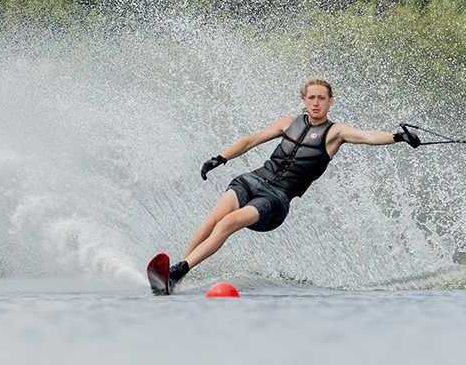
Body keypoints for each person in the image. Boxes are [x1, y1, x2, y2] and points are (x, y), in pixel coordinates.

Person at [163, 78, 420, 287]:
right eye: (311, 97)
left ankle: (180, 269)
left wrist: (399, 137)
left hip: (275, 200)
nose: (316, 102)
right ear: (304, 100)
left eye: (321, 98)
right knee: (213, 219)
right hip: (252, 180)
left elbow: (368, 136)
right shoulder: (288, 124)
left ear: (330, 102)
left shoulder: (335, 133)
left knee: (228, 223)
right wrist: (220, 158)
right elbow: (251, 141)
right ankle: (177, 277)